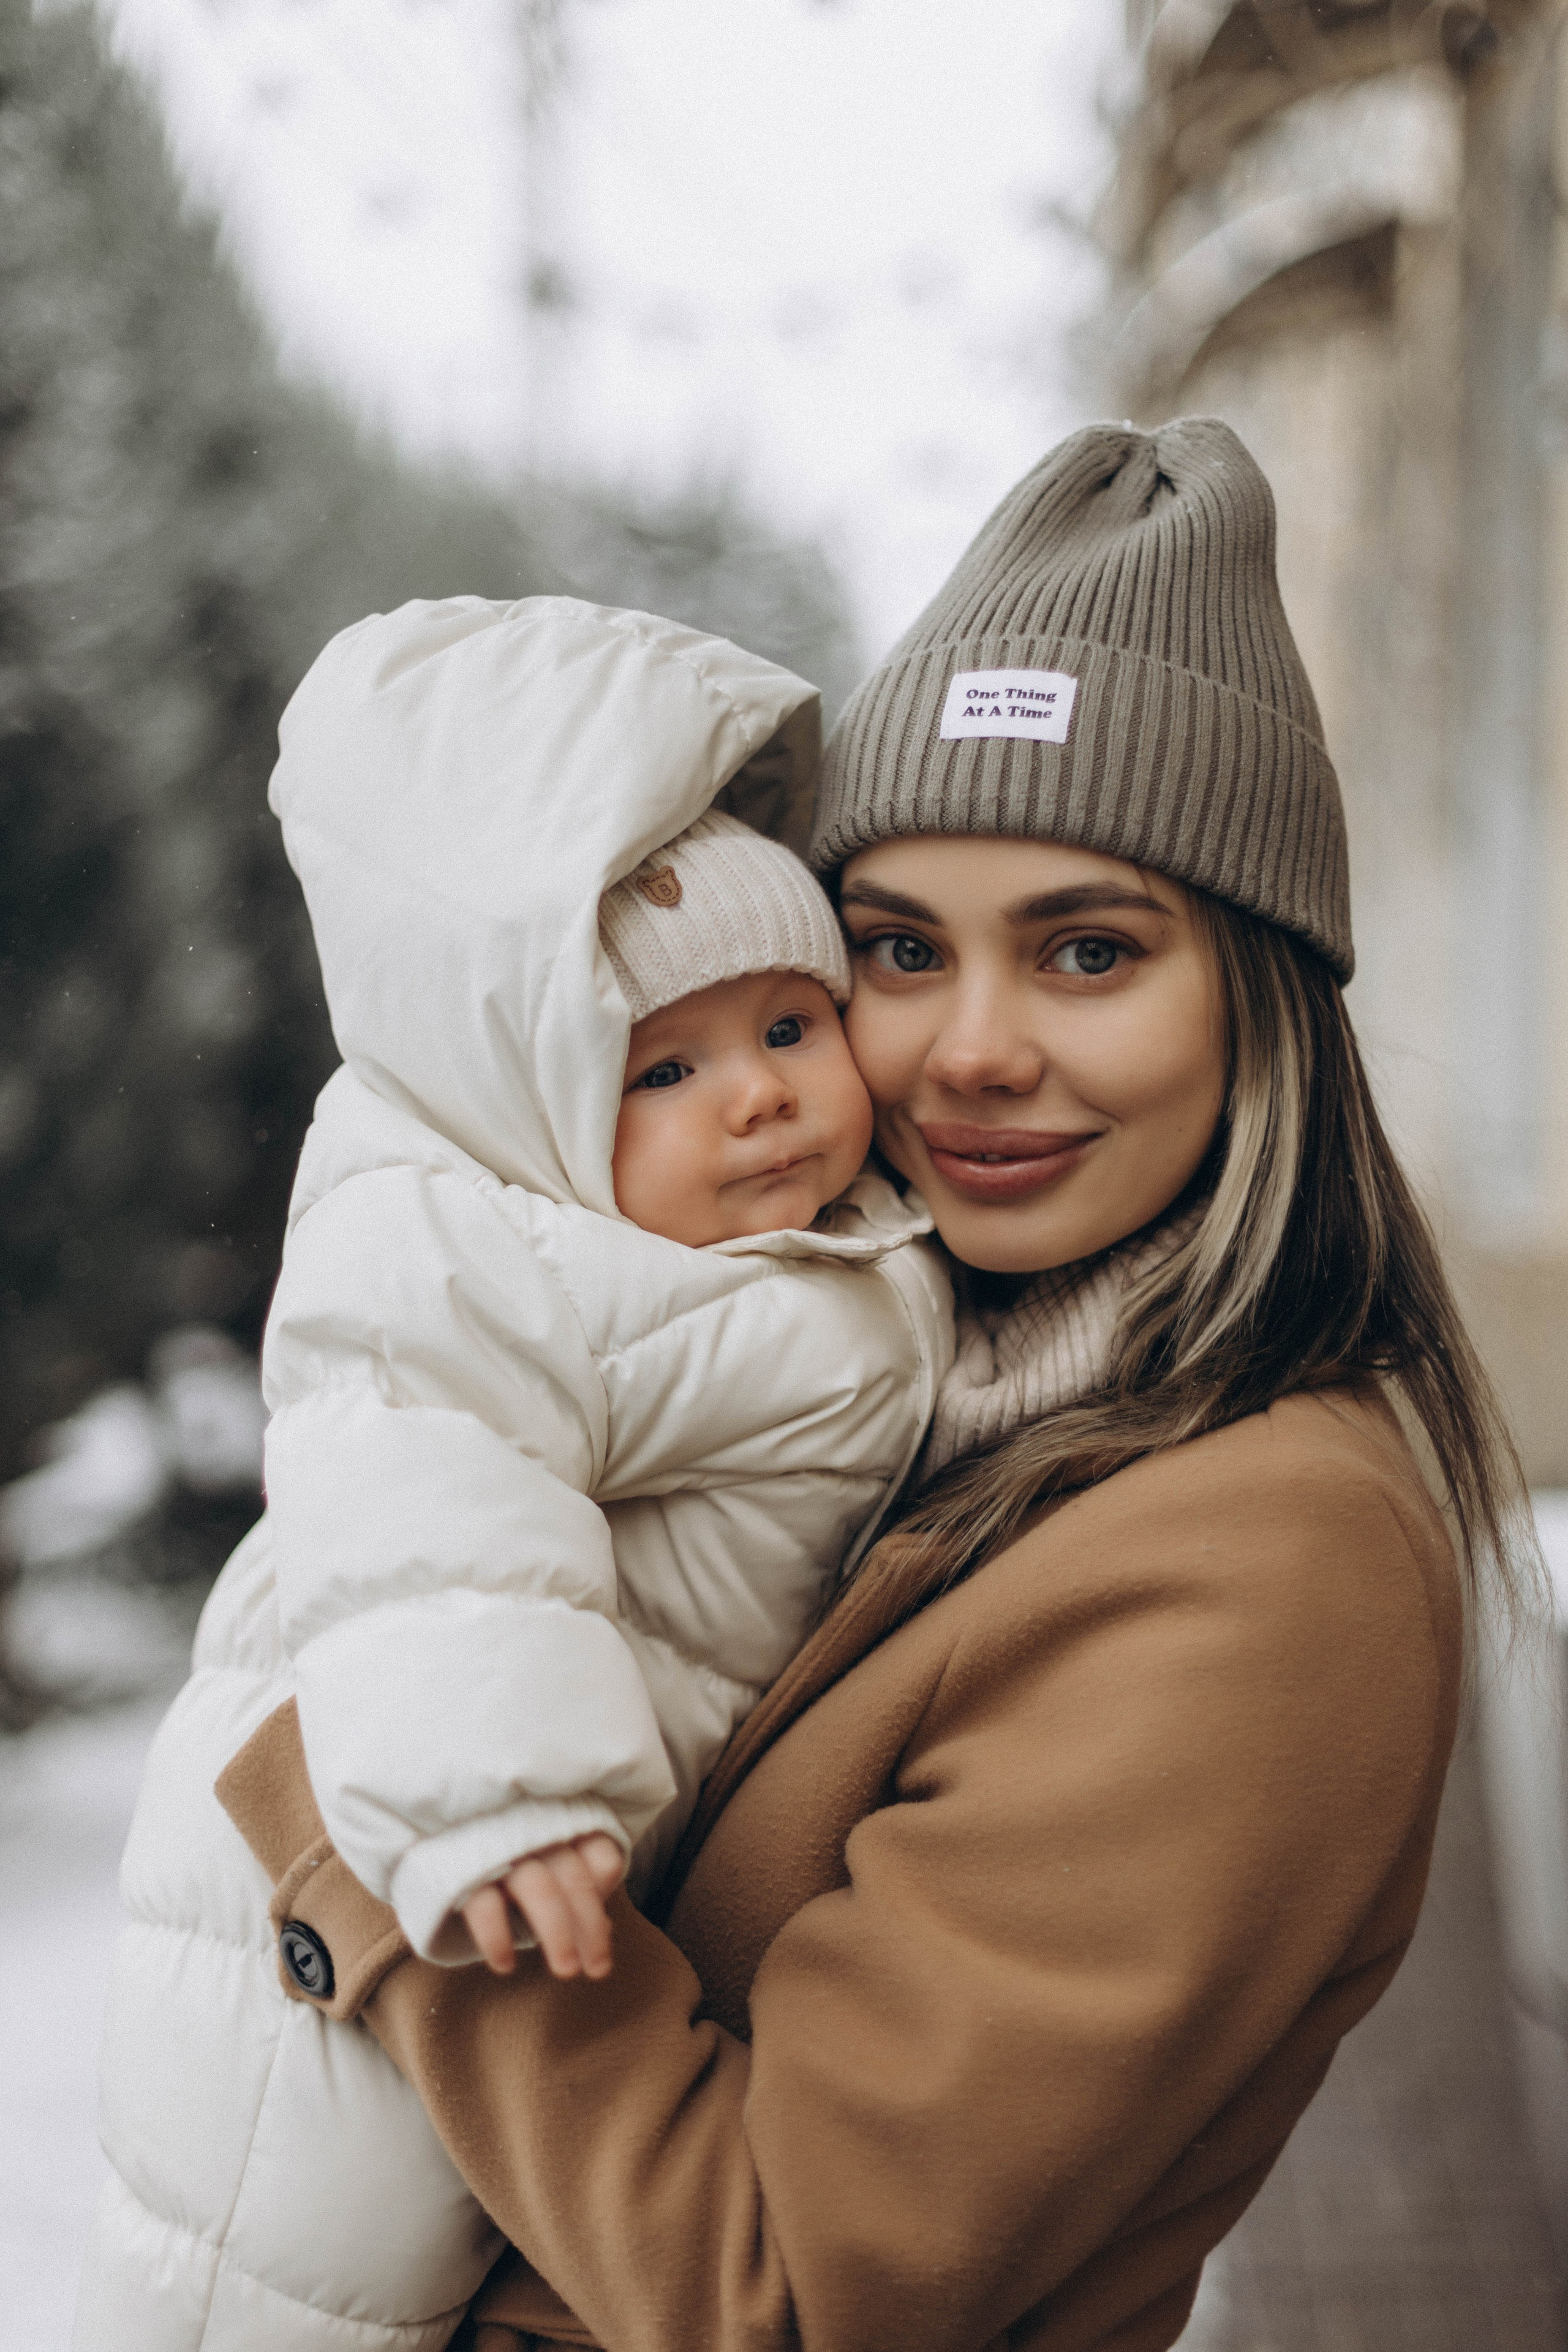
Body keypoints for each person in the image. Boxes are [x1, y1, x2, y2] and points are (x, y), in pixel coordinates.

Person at [202, 420, 1529, 2352]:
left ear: (1264, 1005)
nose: (968, 1050)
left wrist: (364, 1803)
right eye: (899, 949)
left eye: (1088, 950)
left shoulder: (1268, 1552)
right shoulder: (919, 1396)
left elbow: (790, 2285)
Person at [74, 599, 951, 2352]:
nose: (762, 1101)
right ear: (537, 1088)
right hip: (396, 1862)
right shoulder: (474, 1238)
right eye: (671, 1069)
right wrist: (496, 1794)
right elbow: (422, 1491)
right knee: (279, 2275)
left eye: (794, 1027)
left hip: (526, 1884)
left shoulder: (800, 1237)